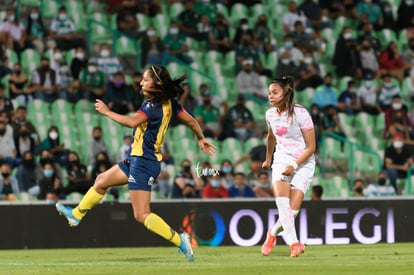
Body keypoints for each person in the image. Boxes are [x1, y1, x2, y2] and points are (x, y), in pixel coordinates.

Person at [55, 65, 216, 262]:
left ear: (156, 84)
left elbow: (132, 122)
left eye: (145, 80)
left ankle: (180, 240)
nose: (140, 82)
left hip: (144, 162)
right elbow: (191, 121)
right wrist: (201, 138)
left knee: (141, 214)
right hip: (137, 158)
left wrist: (107, 112)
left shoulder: (152, 106)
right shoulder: (170, 104)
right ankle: (76, 215)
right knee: (101, 180)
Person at [261, 76, 316, 258]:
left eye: (275, 92)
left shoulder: (301, 113)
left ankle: (272, 233)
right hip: (282, 159)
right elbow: (271, 137)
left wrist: (295, 165)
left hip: (304, 162)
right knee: (282, 204)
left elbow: (311, 147)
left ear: (285, 92)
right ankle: (294, 243)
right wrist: (268, 159)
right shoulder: (270, 114)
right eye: (269, 93)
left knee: (293, 211)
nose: (270, 96)